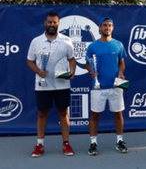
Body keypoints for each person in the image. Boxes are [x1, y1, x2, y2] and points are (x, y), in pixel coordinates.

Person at [26, 12, 77, 157]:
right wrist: (38, 71)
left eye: (54, 22)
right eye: (50, 22)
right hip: (43, 85)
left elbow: (72, 59)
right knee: (42, 113)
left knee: (63, 112)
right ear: (45, 23)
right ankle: (39, 145)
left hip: (62, 83)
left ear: (58, 24)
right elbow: (29, 61)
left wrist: (72, 71)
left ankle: (66, 144)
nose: (52, 25)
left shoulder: (66, 41)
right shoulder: (36, 41)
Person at [85, 17, 127, 155]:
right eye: (104, 25)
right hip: (98, 87)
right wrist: (92, 72)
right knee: (95, 115)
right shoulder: (92, 46)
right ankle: (93, 143)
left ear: (112, 28)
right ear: (100, 27)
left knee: (118, 114)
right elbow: (88, 63)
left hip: (115, 86)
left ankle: (120, 141)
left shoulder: (118, 44)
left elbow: (121, 62)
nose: (107, 28)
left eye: (109, 25)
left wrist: (121, 73)